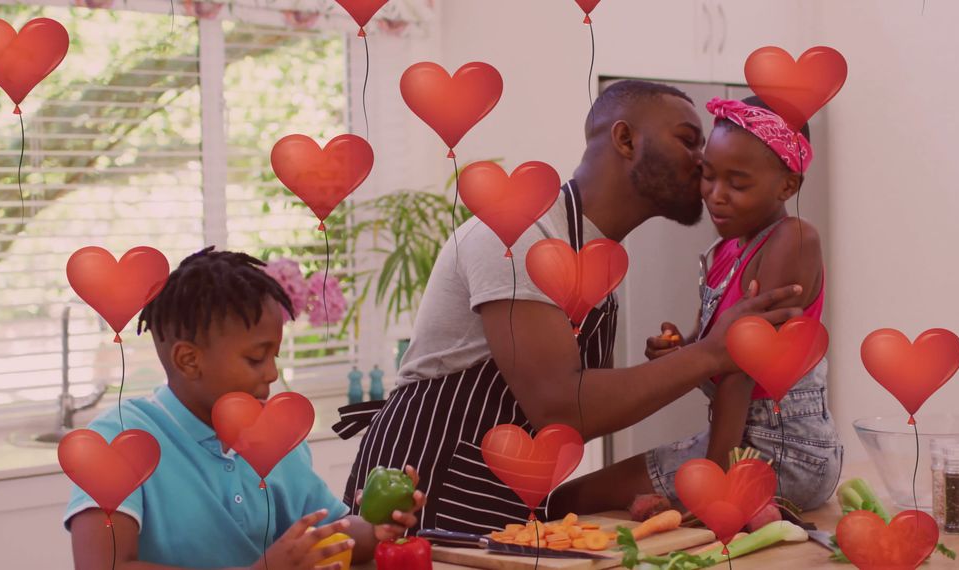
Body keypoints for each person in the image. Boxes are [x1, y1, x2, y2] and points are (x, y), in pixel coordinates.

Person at [333, 80, 806, 533]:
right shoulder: (519, 235)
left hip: (502, 510)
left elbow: (579, 413)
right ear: (625, 139)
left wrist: (696, 361)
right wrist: (709, 354)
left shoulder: (594, 262)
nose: (702, 160)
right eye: (688, 139)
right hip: (417, 504)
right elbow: (562, 408)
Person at [560, 96, 843, 515]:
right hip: (740, 441)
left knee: (569, 502)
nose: (716, 195)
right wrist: (685, 351)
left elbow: (741, 368)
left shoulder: (793, 238)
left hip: (784, 452)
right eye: (708, 176)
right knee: (569, 500)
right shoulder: (726, 249)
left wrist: (716, 487)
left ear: (787, 186)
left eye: (738, 184)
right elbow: (718, 351)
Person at [64, 248, 426, 570]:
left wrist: (379, 529)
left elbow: (332, 534)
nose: (271, 374)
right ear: (189, 360)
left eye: (274, 356)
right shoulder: (115, 441)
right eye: (255, 358)